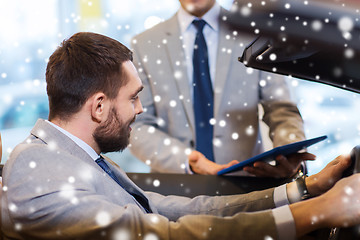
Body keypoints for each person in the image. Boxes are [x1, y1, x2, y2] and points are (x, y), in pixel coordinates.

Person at [2, 31, 360, 240]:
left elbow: (177, 209)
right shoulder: (38, 172)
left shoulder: (74, 157)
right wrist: (319, 212)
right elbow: (165, 235)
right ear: (98, 107)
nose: (140, 109)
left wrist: (305, 190)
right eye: (134, 97)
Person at [129, 0, 308, 177]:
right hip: (176, 185)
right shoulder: (145, 45)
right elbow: (138, 125)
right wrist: (186, 159)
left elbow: (281, 109)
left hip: (246, 185)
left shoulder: (255, 34)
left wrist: (291, 153)